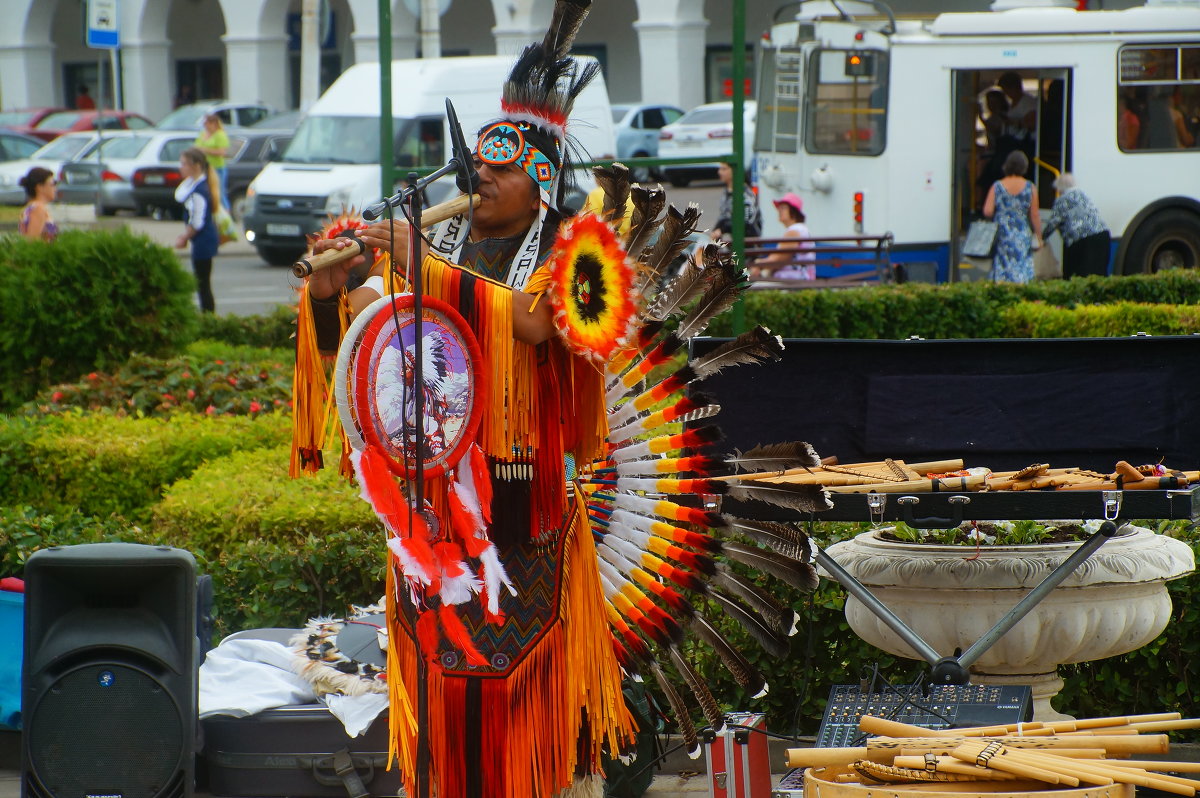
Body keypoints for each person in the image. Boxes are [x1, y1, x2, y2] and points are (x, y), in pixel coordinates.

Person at [306, 4, 633, 795]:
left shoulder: (574, 252)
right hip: (434, 509)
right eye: (476, 165)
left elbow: (527, 323)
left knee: (519, 685)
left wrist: (424, 268)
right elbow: (369, 352)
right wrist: (329, 296)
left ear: (542, 184)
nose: (478, 176)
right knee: (442, 678)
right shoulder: (443, 241)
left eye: (503, 167)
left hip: (526, 509)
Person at [983, 149, 1042, 284]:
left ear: (1007, 165)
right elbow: (1034, 215)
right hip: (1022, 233)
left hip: (1002, 233)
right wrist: (1039, 236)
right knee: (1021, 266)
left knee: (1002, 265)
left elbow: (987, 211)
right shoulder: (1030, 187)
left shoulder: (997, 186)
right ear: (1024, 167)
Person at [174, 147, 220, 313]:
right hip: (202, 240)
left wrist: (184, 237)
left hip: (204, 241)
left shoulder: (199, 191)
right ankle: (208, 316)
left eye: (184, 164)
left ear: (196, 165)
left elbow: (197, 222)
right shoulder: (195, 186)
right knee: (202, 282)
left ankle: (209, 317)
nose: (181, 167)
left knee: (203, 283)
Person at [1042, 173, 1111, 279]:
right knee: (1099, 274)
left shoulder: (1062, 200)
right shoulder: (1083, 194)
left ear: (1060, 187)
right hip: (1102, 234)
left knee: (1079, 275)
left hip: (1083, 240)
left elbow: (1053, 223)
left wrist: (1041, 238)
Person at [751, 191, 814, 280]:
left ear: (793, 211)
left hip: (792, 281)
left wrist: (759, 264)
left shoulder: (795, 231)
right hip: (797, 279)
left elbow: (780, 259)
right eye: (779, 208)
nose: (779, 211)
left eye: (783, 208)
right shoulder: (800, 229)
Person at [709, 161, 762, 243]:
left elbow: (746, 223)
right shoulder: (726, 192)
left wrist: (722, 229)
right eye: (720, 169)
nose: (719, 172)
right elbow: (723, 216)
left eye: (724, 169)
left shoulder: (745, 195)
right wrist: (716, 230)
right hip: (734, 241)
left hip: (750, 243)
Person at [997, 72, 1037, 169]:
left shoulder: (1028, 102)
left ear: (1014, 87)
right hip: (1011, 140)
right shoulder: (1013, 102)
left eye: (1006, 90)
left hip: (1024, 143)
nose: (1006, 94)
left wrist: (1013, 122)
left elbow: (1032, 124)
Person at [194, 113, 230, 210]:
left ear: (213, 123)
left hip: (217, 168)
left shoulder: (220, 135)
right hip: (205, 168)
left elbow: (222, 152)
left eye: (207, 123)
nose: (205, 125)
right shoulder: (203, 134)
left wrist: (205, 150)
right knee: (207, 192)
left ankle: (226, 214)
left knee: (219, 193)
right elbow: (197, 146)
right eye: (204, 123)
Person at [18, 167, 58, 242]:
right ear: (39, 187)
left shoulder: (33, 207)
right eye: (53, 184)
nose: (55, 188)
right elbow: (32, 241)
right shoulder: (37, 209)